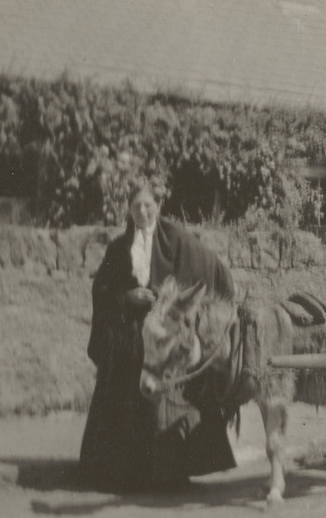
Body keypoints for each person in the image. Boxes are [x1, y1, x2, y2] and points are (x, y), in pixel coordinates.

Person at [79, 177, 239, 492]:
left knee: (168, 398)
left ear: (158, 205)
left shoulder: (177, 239)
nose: (142, 212)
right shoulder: (118, 248)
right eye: (136, 206)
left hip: (164, 340)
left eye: (148, 205)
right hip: (130, 340)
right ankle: (125, 474)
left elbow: (214, 270)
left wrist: (174, 304)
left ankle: (170, 473)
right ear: (128, 208)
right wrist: (126, 297)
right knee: (126, 400)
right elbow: (102, 290)